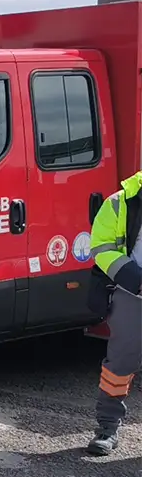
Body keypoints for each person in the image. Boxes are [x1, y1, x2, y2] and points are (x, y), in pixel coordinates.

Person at [85, 170, 142, 456]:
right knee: (120, 362)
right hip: (133, 293)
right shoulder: (120, 202)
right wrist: (137, 280)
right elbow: (102, 247)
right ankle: (107, 428)